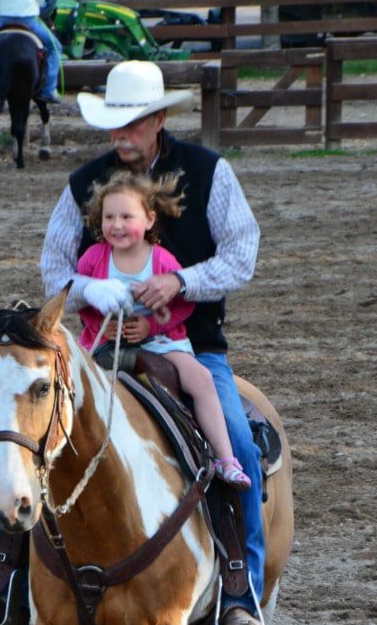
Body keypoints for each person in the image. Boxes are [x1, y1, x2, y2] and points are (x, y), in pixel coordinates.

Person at [0, 60, 266, 625]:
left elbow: (242, 254)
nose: (122, 136)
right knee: (31, 435)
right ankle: (4, 582)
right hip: (99, 347)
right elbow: (53, 263)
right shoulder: (85, 184)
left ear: (159, 120)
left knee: (240, 444)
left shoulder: (209, 172)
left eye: (133, 124)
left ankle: (239, 588)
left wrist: (180, 283)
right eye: (115, 125)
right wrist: (88, 288)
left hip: (187, 343)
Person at [77, 167, 252, 488]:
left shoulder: (162, 261)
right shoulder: (93, 258)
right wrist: (102, 325)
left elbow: (183, 304)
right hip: (103, 343)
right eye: (109, 217)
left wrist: (150, 327)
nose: (116, 225)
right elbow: (82, 300)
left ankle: (226, 458)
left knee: (200, 379)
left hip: (162, 344)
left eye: (126, 217)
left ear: (149, 220)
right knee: (66, 388)